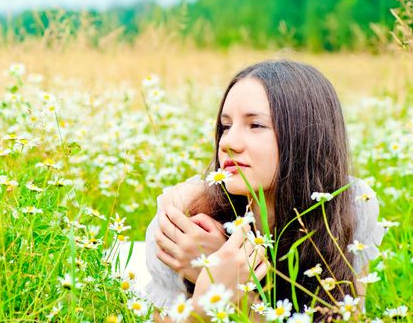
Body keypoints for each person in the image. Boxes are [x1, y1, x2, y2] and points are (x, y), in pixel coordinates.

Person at [144, 60, 386, 321]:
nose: (228, 143)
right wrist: (204, 303)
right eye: (225, 126)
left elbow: (346, 316)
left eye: (255, 125)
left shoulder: (349, 205)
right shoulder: (183, 221)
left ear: (305, 136)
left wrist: (230, 283)